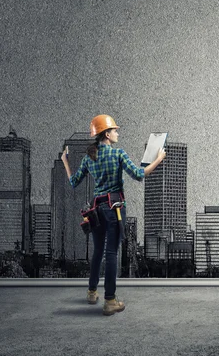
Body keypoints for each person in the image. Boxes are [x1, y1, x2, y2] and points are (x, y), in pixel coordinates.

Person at [61, 114, 166, 316]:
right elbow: (139, 174)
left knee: (98, 251)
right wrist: (158, 159)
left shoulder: (88, 158)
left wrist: (65, 161)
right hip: (114, 207)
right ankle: (110, 300)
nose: (117, 133)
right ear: (107, 134)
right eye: (115, 130)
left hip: (96, 209)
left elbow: (73, 182)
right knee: (111, 253)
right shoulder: (118, 154)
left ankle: (92, 292)